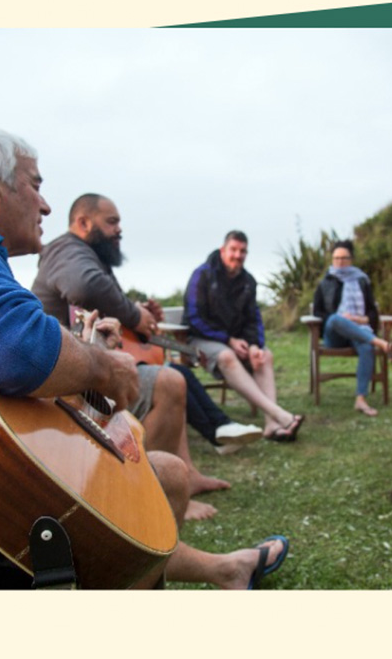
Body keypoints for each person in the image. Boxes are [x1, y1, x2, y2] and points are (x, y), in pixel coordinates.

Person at [0, 128, 288, 590]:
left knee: (167, 471)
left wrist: (83, 347)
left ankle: (226, 569)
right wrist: (105, 368)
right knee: (165, 477)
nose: (46, 205)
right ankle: (213, 572)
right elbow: (16, 351)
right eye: (35, 184)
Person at [31, 195, 262, 501]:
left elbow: (99, 301)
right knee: (169, 381)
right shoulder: (66, 249)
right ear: (83, 223)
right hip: (68, 383)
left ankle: (187, 476)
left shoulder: (85, 254)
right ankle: (154, 493)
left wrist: (138, 310)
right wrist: (135, 315)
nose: (119, 230)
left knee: (171, 375)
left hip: (84, 370)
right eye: (111, 222)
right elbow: (85, 286)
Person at [184, 231, 304, 442]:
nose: (238, 255)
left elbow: (253, 319)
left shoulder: (248, 281)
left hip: (235, 341)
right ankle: (279, 414)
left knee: (265, 356)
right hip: (200, 340)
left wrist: (254, 346)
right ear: (223, 250)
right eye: (234, 250)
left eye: (243, 251)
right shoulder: (202, 275)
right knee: (227, 356)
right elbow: (194, 319)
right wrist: (227, 339)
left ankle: (271, 425)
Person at [311, 240, 389, 416]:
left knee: (366, 347)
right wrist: (342, 319)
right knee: (335, 319)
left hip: (359, 330)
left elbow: (372, 311)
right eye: (336, 258)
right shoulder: (326, 282)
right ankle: (380, 342)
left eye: (343, 258)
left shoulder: (362, 281)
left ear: (351, 259)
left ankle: (360, 399)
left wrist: (359, 318)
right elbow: (318, 311)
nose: (339, 262)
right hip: (335, 335)